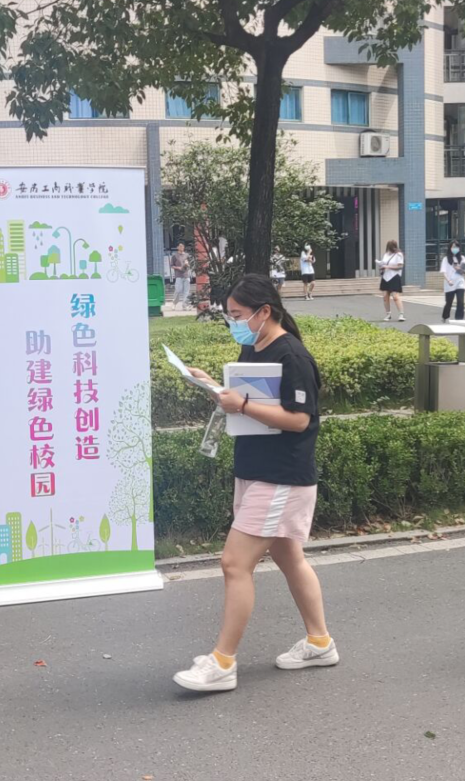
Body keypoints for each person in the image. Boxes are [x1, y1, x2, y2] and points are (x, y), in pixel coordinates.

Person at [174, 275, 336, 692]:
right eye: (230, 316)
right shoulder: (255, 346)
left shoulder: (292, 356)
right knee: (289, 557)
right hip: (255, 468)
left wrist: (242, 404)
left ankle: (222, 663)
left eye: (238, 315)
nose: (234, 323)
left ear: (265, 312)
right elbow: (249, 402)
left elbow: (298, 420)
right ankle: (320, 642)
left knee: (234, 563)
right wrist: (213, 386)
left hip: (281, 475)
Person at [378, 239, 405, 322]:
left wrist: (387, 267)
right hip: (385, 276)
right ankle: (388, 314)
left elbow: (400, 267)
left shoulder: (399, 254)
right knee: (385, 296)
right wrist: (382, 267)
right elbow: (384, 264)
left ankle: (401, 314)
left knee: (395, 296)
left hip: (394, 277)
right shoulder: (386, 254)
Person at [440, 241, 465, 322]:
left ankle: (459, 319)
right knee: (449, 302)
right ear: (450, 248)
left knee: (460, 301)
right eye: (453, 247)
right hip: (450, 283)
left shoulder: (462, 258)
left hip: (460, 282)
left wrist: (459, 269)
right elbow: (444, 272)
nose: (455, 249)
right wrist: (448, 280)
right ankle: (445, 316)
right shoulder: (446, 259)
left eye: (456, 247)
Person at [172, 242, 191, 309]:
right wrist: (178, 268)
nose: (181, 247)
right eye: (180, 246)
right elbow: (172, 265)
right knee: (178, 290)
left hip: (186, 275)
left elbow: (190, 264)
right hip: (178, 275)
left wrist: (187, 264)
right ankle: (174, 303)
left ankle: (184, 305)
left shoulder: (187, 255)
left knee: (186, 291)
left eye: (182, 246)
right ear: (177, 247)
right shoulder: (175, 256)